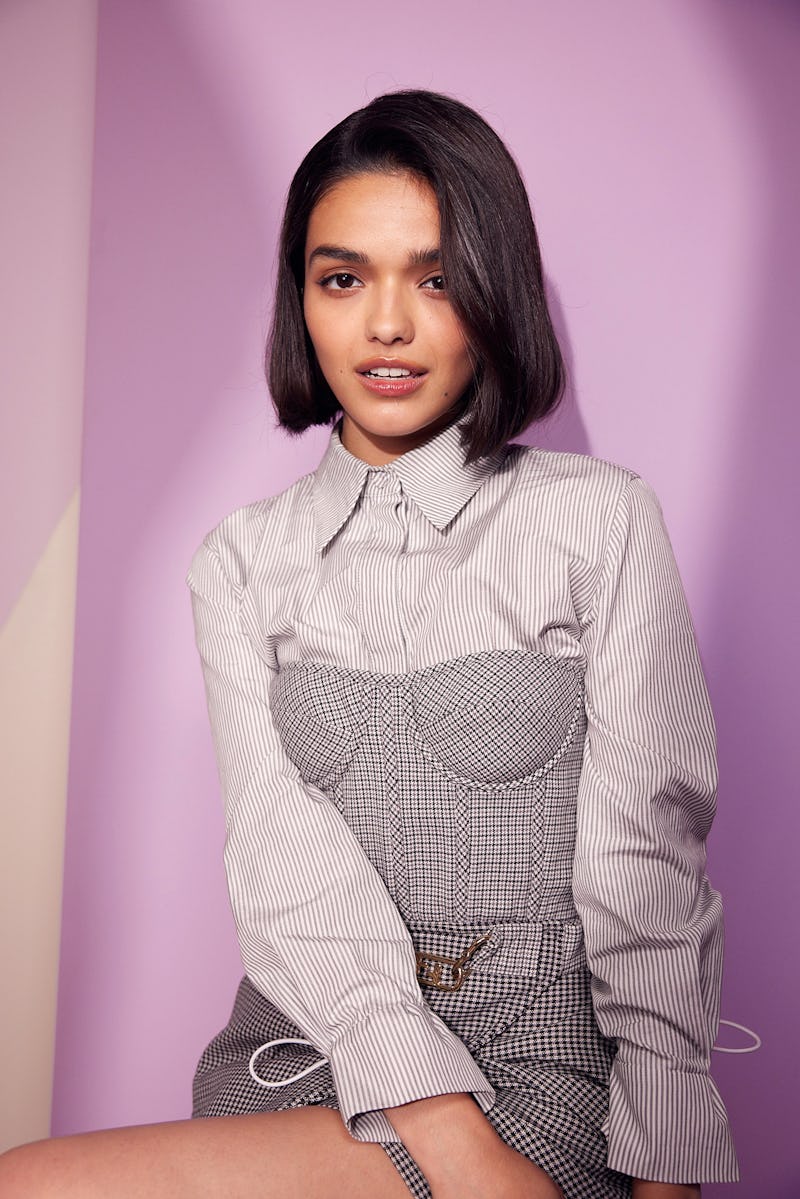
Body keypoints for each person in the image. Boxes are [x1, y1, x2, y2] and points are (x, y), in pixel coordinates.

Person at [0, 90, 738, 1199]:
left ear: (492, 294)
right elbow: (279, 860)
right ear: (300, 298)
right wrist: (442, 1129)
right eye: (340, 277)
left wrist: (665, 1169)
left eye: (434, 278)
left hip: (532, 1076)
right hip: (297, 1057)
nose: (382, 324)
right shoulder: (242, 559)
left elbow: (643, 862)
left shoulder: (595, 519)